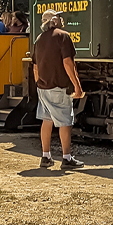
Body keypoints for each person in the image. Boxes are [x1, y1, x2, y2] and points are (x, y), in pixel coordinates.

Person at [31, 10, 84, 169]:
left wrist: (39, 83)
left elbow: (35, 67)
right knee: (65, 122)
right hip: (59, 87)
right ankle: (67, 158)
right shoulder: (63, 36)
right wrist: (77, 85)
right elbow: (68, 63)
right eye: (59, 17)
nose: (61, 19)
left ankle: (45, 156)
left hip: (43, 87)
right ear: (54, 20)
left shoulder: (39, 39)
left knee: (47, 121)